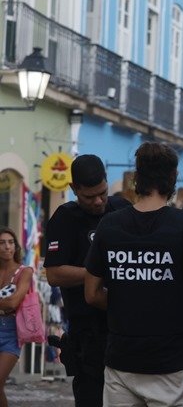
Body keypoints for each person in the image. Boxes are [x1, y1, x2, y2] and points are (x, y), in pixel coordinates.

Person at [84, 142, 183, 407]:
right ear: (173, 178)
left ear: (137, 178)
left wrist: (127, 304)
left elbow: (91, 294)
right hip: (168, 360)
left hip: (120, 358)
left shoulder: (109, 225)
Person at [44, 154, 130, 407]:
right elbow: (54, 273)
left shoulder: (123, 209)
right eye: (89, 197)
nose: (98, 201)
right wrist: (97, 273)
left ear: (107, 181)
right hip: (88, 332)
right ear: (73, 190)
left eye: (102, 193)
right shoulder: (65, 219)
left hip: (124, 327)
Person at [0, 228, 33, 407]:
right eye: (2, 242)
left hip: (11, 332)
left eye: (11, 242)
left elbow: (13, 303)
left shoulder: (24, 271)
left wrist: (7, 303)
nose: (7, 247)